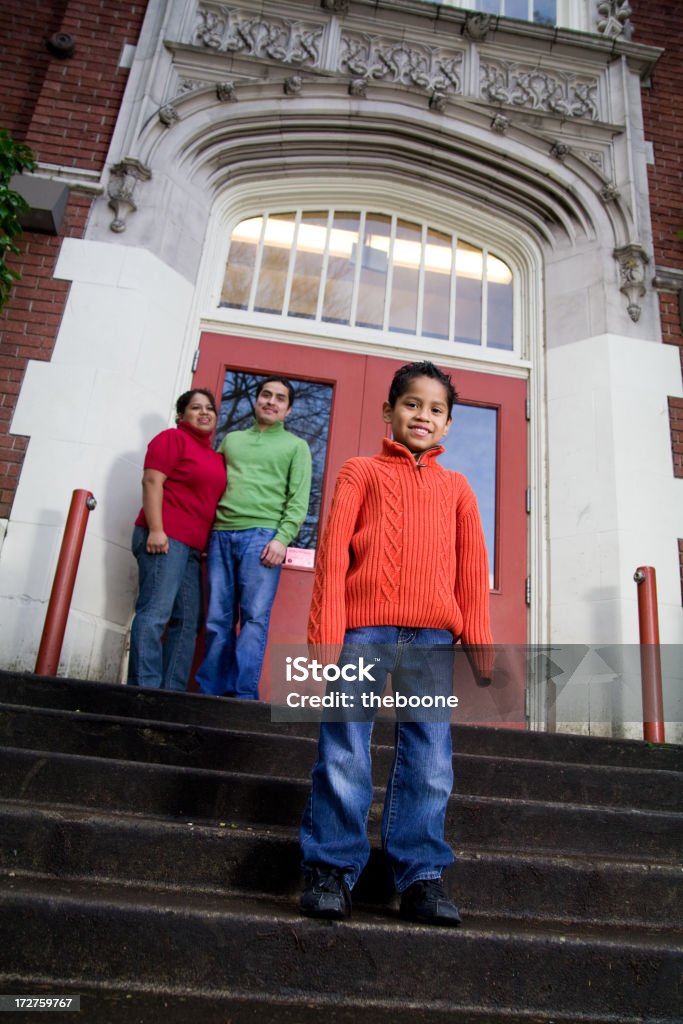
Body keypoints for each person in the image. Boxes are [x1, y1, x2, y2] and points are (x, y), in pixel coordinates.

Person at [299, 360, 493, 926]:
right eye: (411, 404)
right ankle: (332, 867)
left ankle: (421, 877)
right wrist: (325, 633)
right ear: (389, 411)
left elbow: (471, 567)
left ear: (450, 424)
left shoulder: (458, 488)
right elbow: (334, 555)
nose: (422, 416)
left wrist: (478, 641)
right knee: (345, 747)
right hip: (363, 630)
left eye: (436, 410)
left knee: (430, 757)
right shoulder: (359, 472)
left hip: (431, 636)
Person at [196, 376, 312, 700]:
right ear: (257, 400)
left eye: (279, 398)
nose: (271, 402)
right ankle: (210, 691)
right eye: (266, 395)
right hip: (221, 534)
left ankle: (243, 694)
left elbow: (298, 500)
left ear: (287, 410)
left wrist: (282, 538)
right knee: (218, 618)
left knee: (253, 619)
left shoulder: (296, 446)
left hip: (262, 538)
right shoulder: (231, 440)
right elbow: (211, 483)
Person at [127, 389, 227, 691]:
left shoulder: (214, 456)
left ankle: (170, 694)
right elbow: (152, 481)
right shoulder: (172, 439)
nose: (204, 412)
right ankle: (144, 690)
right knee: (155, 614)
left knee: (187, 622)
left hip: (192, 549)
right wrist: (157, 528)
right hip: (164, 538)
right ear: (181, 415)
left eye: (209, 408)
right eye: (196, 408)